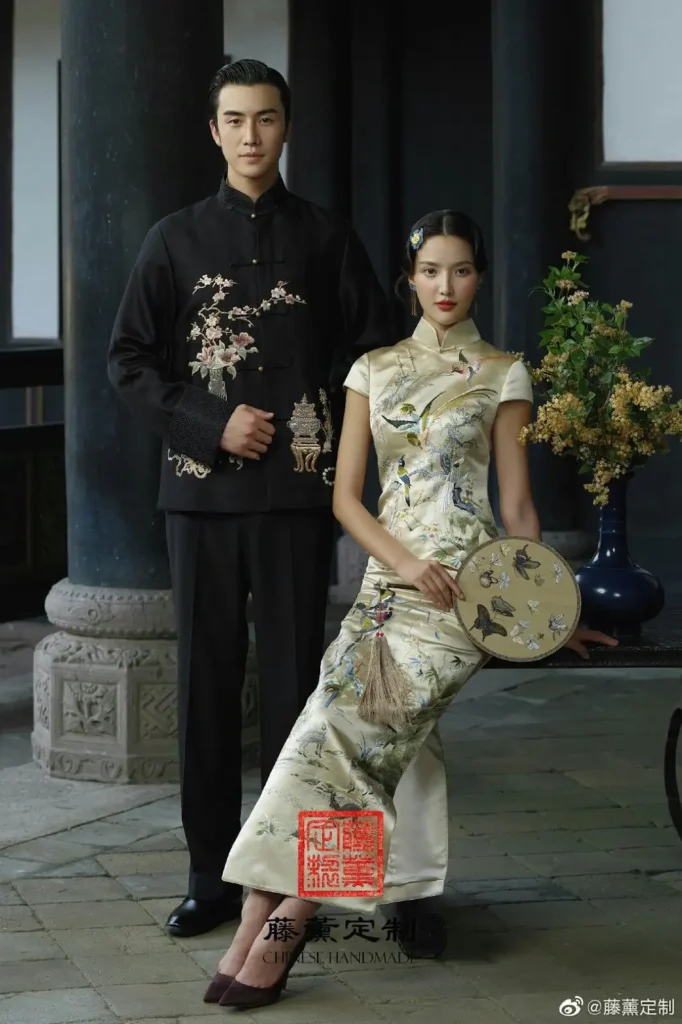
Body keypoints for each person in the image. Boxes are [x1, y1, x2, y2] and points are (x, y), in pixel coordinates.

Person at [202, 209, 618, 1009]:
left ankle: (284, 921)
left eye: (461, 269)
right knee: (320, 743)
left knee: (363, 755)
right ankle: (259, 912)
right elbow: (346, 501)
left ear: (479, 276)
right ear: (410, 278)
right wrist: (404, 563)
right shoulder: (374, 369)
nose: (446, 285)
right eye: (431, 270)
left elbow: (519, 511)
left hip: (466, 604)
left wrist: (547, 618)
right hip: (386, 597)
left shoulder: (503, 372)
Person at [107, 59, 391, 938]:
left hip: (301, 499)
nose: (250, 135)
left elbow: (371, 363)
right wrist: (209, 421)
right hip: (200, 500)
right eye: (234, 120)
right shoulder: (173, 240)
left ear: (285, 127)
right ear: (214, 131)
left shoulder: (328, 238)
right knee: (206, 685)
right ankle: (209, 875)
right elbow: (128, 361)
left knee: (300, 692)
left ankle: (298, 880)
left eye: (265, 119)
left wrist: (347, 472)